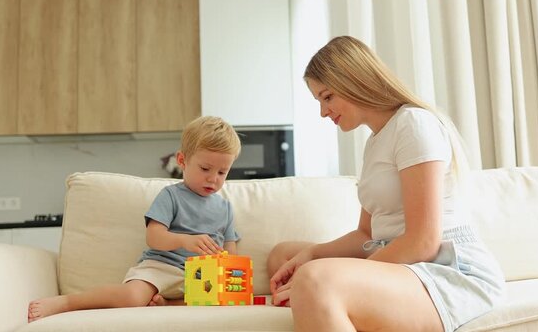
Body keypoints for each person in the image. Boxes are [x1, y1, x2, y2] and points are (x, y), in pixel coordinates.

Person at [268, 36, 504, 332]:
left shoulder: (414, 124)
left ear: (353, 79)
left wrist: (340, 272)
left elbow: (423, 241)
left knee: (315, 279)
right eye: (319, 101)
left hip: (445, 268)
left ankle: (322, 297)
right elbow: (366, 233)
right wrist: (313, 254)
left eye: (327, 97)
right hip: (400, 260)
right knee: (284, 257)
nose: (323, 112)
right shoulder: (375, 142)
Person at [28, 116, 242, 322]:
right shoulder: (171, 196)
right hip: (163, 267)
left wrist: (227, 269)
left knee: (221, 300)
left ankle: (167, 304)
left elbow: (230, 248)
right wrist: (186, 241)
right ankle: (67, 302)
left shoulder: (225, 208)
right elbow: (154, 237)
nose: (213, 179)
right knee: (132, 297)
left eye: (222, 172)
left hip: (202, 276)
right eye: (205, 169)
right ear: (182, 161)